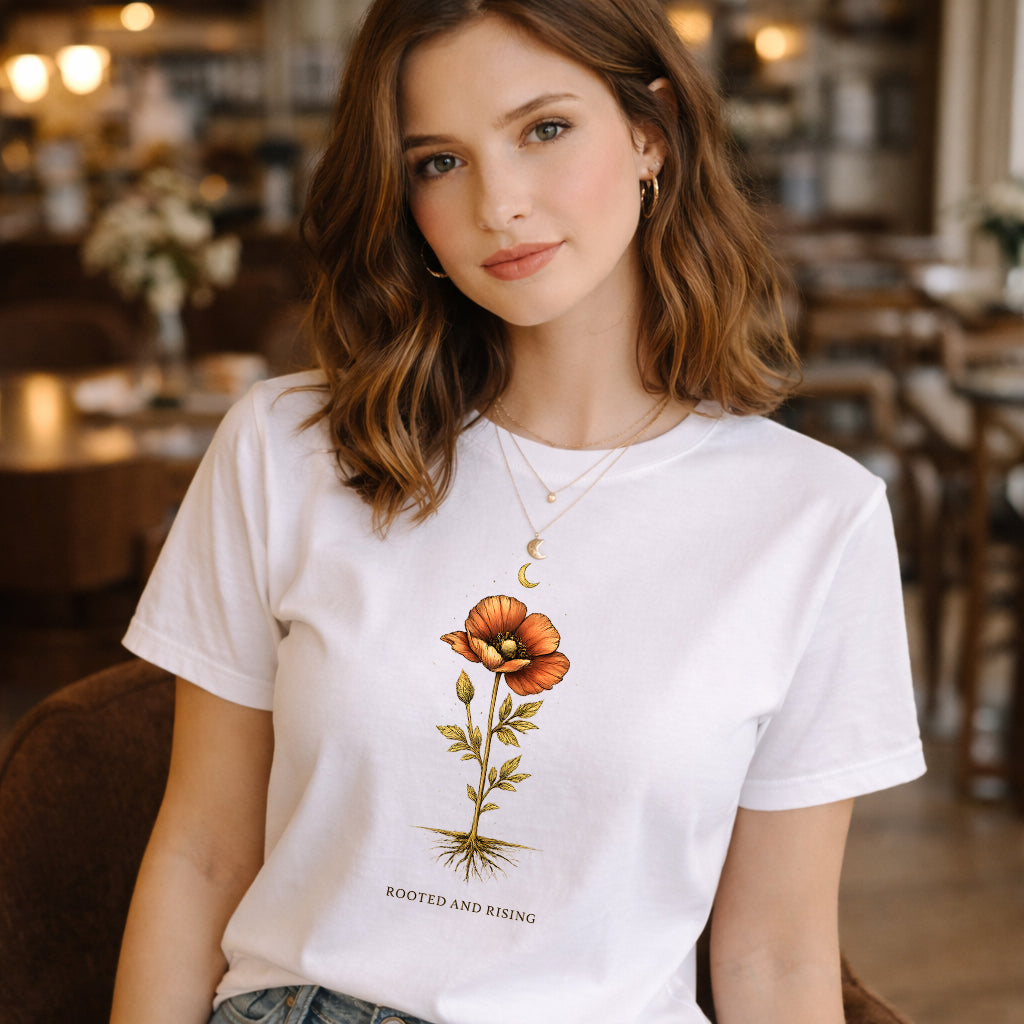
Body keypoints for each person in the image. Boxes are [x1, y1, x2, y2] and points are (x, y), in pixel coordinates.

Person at [110, 1, 926, 1022]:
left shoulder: (815, 517)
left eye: (544, 129)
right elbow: (200, 855)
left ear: (651, 132)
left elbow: (776, 955)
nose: (498, 204)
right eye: (438, 161)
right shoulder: (287, 448)